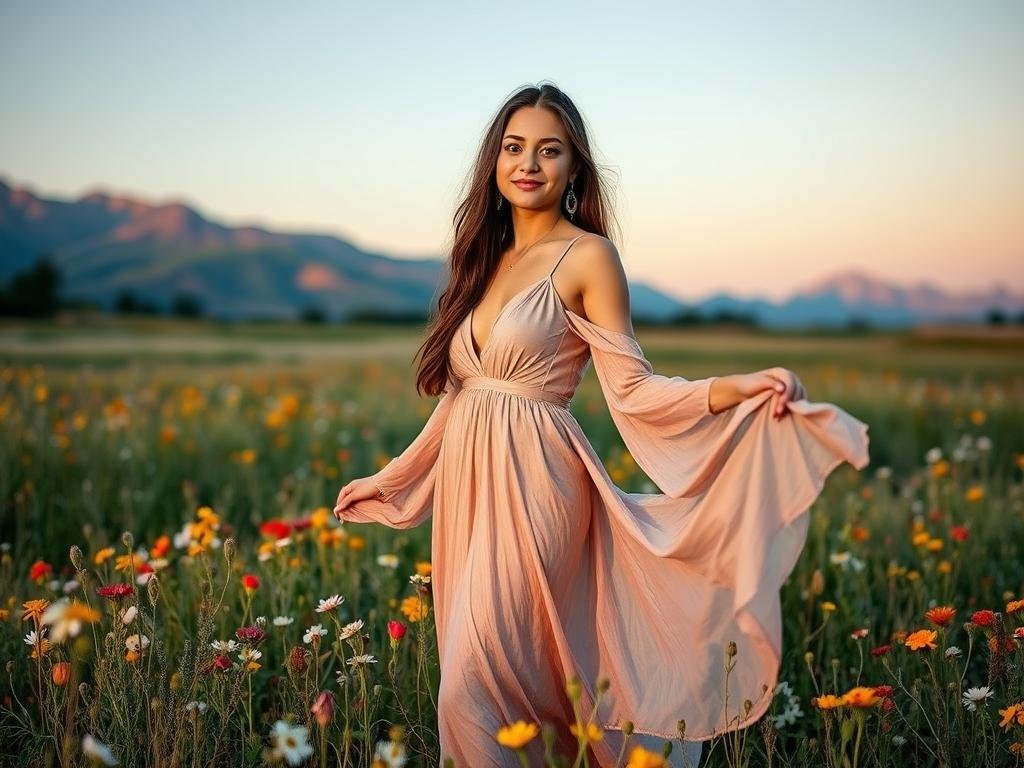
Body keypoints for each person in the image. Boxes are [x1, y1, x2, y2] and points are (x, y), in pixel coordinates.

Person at [333, 81, 870, 768]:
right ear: (494, 163)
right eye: (514, 147)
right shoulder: (483, 260)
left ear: (574, 168)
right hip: (469, 496)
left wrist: (735, 389)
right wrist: (395, 477)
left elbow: (635, 388)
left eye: (549, 150)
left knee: (470, 682)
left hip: (538, 486)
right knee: (515, 687)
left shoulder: (588, 256)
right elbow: (463, 395)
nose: (529, 164)